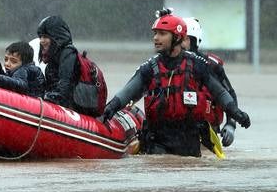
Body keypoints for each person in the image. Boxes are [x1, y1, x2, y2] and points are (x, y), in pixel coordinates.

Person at [100, 13, 251, 157]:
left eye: (162, 34)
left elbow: (220, 93)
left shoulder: (198, 66)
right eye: (155, 33)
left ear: (177, 37)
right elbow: (127, 93)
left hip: (189, 141)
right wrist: (109, 108)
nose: (156, 38)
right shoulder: (149, 69)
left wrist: (236, 114)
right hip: (157, 141)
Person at [182, 14, 240, 151]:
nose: (178, 43)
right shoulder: (163, 65)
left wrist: (231, 125)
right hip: (173, 133)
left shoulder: (211, 66)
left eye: (183, 39)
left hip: (206, 132)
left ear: (194, 41)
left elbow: (229, 94)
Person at [35, 15, 91, 114]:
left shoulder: (68, 54)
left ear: (56, 37)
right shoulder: (52, 61)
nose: (41, 41)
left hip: (73, 110)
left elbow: (64, 90)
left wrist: (46, 97)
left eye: (45, 37)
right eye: (40, 37)